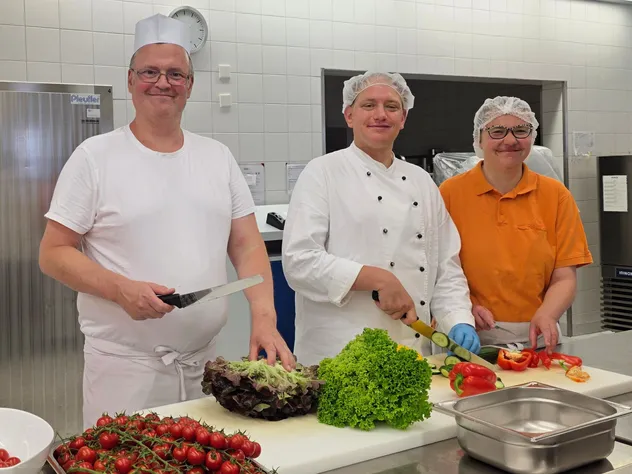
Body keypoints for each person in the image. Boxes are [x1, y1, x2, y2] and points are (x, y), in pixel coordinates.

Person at [38, 14, 293, 429]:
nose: (163, 82)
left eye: (176, 74)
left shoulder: (217, 157)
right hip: (124, 374)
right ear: (130, 80)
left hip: (205, 369)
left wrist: (264, 316)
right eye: (150, 72)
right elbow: (53, 253)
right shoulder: (94, 157)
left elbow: (247, 245)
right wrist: (120, 289)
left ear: (190, 85)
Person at [281, 71, 480, 366]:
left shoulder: (421, 181)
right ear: (349, 115)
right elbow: (299, 262)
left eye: (391, 106)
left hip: (412, 350)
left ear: (403, 118)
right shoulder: (322, 172)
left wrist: (458, 319)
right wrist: (377, 278)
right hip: (341, 352)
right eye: (368, 105)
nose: (380, 114)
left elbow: (446, 266)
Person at [439, 96, 593, 353]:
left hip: (537, 338)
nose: (510, 140)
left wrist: (547, 314)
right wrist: (461, 310)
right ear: (479, 139)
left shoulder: (556, 196)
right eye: (497, 131)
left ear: (532, 137)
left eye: (521, 130)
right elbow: (437, 268)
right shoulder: (449, 194)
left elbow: (565, 277)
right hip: (470, 337)